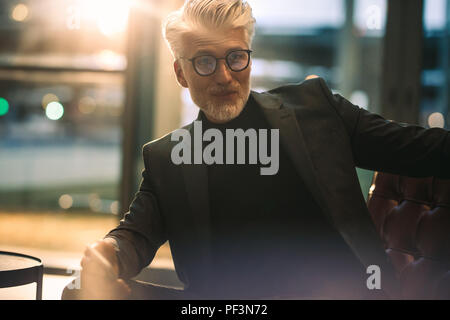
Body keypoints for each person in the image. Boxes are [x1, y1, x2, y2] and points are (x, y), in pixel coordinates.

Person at [64, 0, 450, 300]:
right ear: (180, 72)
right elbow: (134, 237)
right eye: (204, 62)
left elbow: (421, 149)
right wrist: (107, 252)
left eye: (235, 56)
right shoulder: (167, 158)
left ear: (249, 55)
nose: (224, 75)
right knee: (81, 291)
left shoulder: (318, 110)